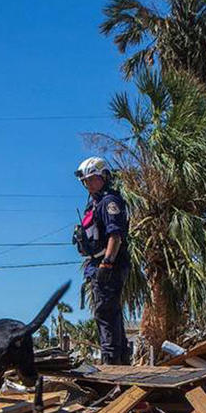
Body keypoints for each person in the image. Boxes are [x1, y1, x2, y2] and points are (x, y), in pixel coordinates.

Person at [73, 156, 131, 365]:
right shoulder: (95, 203)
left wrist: (107, 263)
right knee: (110, 317)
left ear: (104, 177)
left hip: (109, 265)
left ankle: (111, 369)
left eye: (92, 179)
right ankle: (121, 367)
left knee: (106, 316)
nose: (88, 184)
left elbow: (116, 235)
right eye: (85, 181)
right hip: (97, 264)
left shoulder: (109, 202)